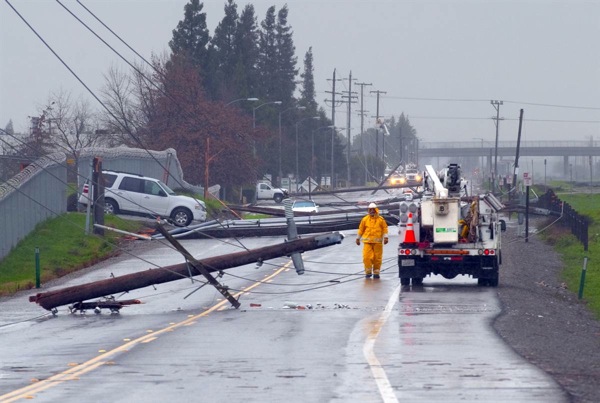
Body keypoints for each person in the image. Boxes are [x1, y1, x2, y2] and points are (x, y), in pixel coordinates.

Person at [356, 202, 389, 279]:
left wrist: (386, 237)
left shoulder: (381, 220)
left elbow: (385, 228)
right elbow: (361, 229)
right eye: (370, 210)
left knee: (377, 258)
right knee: (366, 257)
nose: (372, 211)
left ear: (376, 210)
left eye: (373, 209)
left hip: (377, 243)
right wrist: (358, 238)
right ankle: (368, 272)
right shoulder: (365, 219)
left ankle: (376, 273)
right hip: (367, 242)